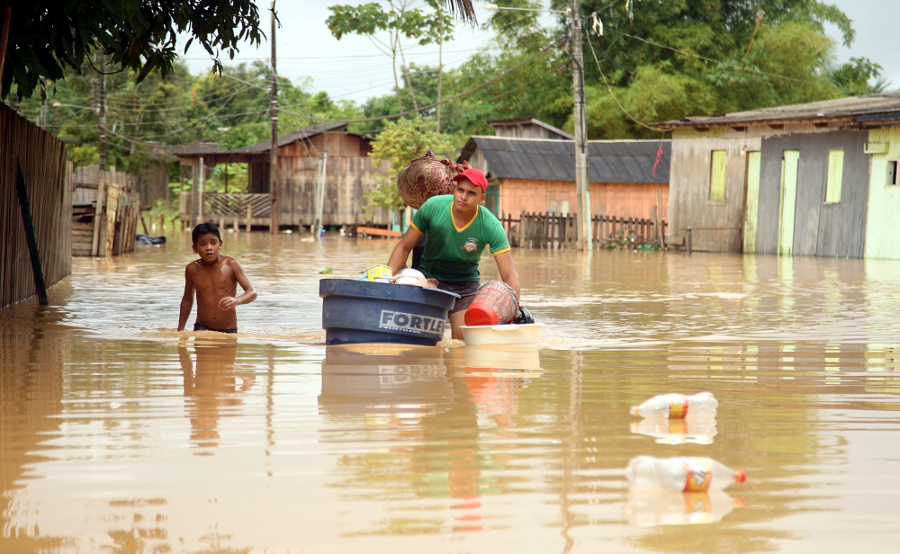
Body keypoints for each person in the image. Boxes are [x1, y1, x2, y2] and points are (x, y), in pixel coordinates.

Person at [387, 168, 519, 340]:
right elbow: (404, 247)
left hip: (465, 287)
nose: (463, 197)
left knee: (461, 341)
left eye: (471, 193)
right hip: (430, 279)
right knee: (424, 338)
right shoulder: (433, 206)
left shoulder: (491, 225)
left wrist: (515, 313)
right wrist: (385, 281)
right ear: (454, 190)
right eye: (460, 190)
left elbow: (509, 276)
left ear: (482, 198)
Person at [178, 221, 257, 333]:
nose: (209, 248)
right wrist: (180, 331)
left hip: (228, 329)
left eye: (213, 243)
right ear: (195, 248)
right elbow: (187, 300)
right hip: (202, 326)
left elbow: (252, 292)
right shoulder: (192, 269)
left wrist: (237, 300)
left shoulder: (231, 264)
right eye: (203, 244)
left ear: (220, 244)